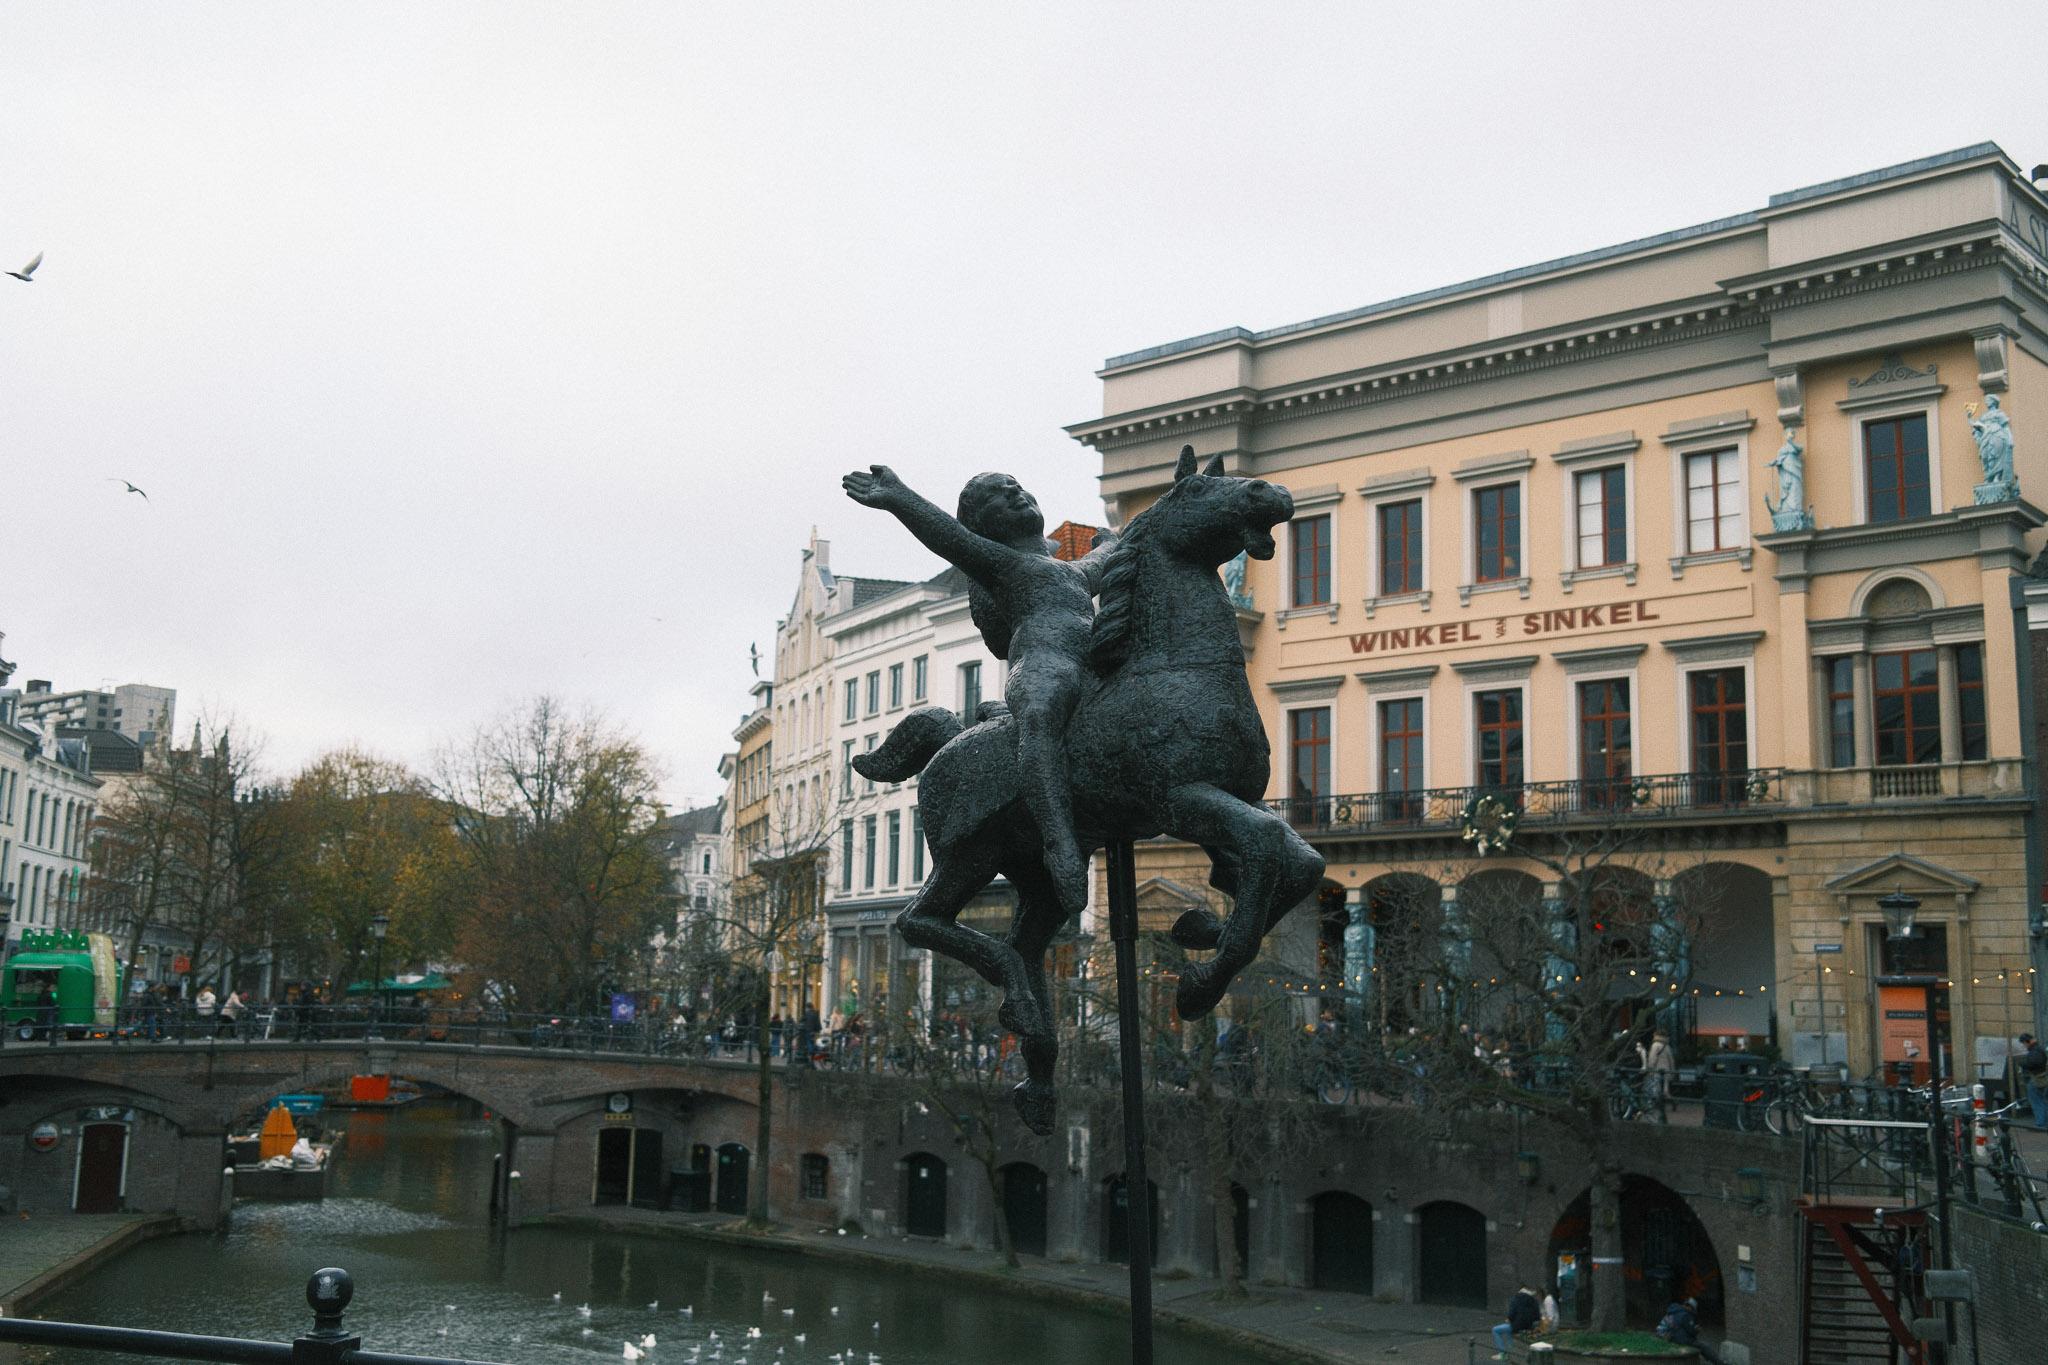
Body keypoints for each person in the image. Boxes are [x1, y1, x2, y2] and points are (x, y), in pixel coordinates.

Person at [843, 464, 1117, 919]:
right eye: (999, 495)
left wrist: (1114, 542)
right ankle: (1059, 842)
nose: (1016, 493)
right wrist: (897, 496)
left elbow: (1105, 560)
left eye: (1018, 485)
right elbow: (947, 535)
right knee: (1041, 719)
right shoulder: (1002, 565)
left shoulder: (1068, 572)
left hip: (1091, 664)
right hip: (1045, 662)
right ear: (985, 527)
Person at [1654, 1297, 1721, 1363]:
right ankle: (1720, 1363)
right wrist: (1696, 1330)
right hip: (1675, 1339)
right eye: (1692, 1309)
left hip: (1662, 1335)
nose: (1692, 1312)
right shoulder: (1685, 1315)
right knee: (1703, 1346)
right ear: (1690, 1307)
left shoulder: (1673, 1311)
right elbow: (1691, 1331)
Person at [1491, 1283, 1540, 1359]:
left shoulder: (1516, 1298)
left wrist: (1509, 1319)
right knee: (1509, 1330)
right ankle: (1511, 1351)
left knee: (1495, 1330)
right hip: (1529, 1326)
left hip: (1517, 1326)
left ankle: (1503, 1354)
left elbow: (1512, 1313)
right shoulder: (1533, 1301)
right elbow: (1537, 1316)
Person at [1638, 1029, 1676, 1122]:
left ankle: (1656, 1106)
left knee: (1656, 1089)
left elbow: (1652, 1058)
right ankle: (1672, 1103)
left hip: (1657, 1071)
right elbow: (1671, 1060)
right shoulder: (1667, 1046)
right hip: (1666, 1071)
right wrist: (1672, 1071)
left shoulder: (1655, 1045)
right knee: (1665, 1089)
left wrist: (1650, 1068)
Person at [2016, 1032, 2048, 1130]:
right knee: (2042, 1100)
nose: (2024, 1046)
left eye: (2024, 1043)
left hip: (2038, 1078)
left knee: (2036, 1100)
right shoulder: (2038, 1048)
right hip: (2041, 1078)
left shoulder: (2035, 1050)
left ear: (2027, 1042)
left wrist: (2022, 1063)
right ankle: (2042, 1122)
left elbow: (2035, 1062)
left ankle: (2041, 1123)